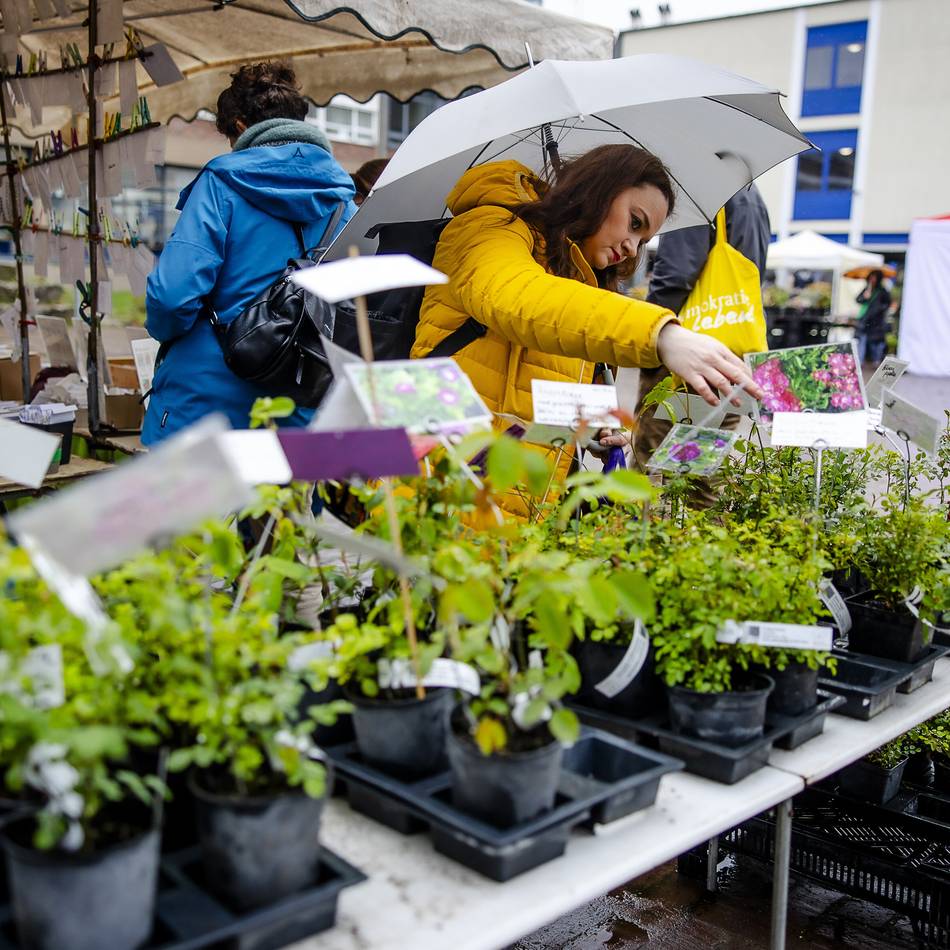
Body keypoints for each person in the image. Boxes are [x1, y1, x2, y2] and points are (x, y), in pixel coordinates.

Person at [411, 144, 763, 515]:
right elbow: (519, 300)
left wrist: (589, 427)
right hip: (441, 480)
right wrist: (663, 334)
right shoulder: (488, 226)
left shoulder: (575, 272)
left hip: (511, 496)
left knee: (688, 477)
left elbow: (529, 386)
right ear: (599, 190)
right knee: (684, 479)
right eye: (635, 223)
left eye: (644, 241)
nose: (632, 248)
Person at [142, 61, 356, 444]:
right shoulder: (344, 203)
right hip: (300, 401)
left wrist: (165, 334)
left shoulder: (220, 184)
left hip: (206, 404)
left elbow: (172, 296)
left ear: (240, 127)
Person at [633, 182, 771, 471]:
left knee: (652, 464)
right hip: (732, 354)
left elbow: (676, 275)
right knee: (699, 471)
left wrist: (650, 332)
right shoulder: (753, 198)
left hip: (686, 354)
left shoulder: (698, 192)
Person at [855, 269, 891, 366]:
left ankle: (876, 361)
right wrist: (864, 297)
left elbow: (887, 303)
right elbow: (858, 300)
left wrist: (878, 309)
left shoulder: (882, 291)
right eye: (871, 277)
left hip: (876, 322)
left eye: (874, 277)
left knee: (875, 342)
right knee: (862, 340)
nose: (872, 280)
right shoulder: (867, 289)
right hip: (865, 321)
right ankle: (860, 362)